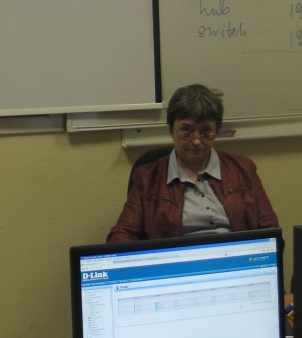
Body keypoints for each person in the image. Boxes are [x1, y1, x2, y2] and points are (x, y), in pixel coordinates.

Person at [107, 84, 278, 242]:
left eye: (206, 131)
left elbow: (270, 230)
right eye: (186, 130)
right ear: (171, 130)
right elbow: (122, 234)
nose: (196, 141)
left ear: (216, 131)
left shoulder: (243, 169)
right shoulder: (147, 178)